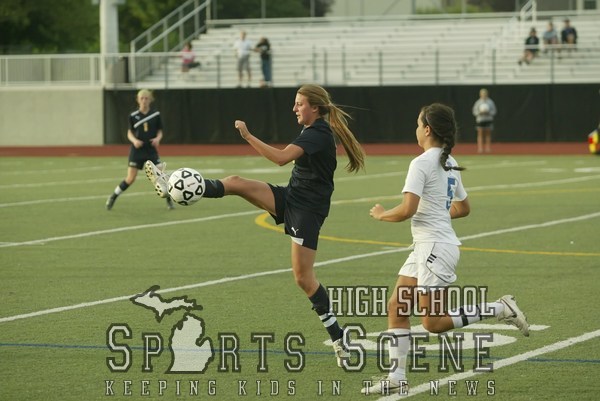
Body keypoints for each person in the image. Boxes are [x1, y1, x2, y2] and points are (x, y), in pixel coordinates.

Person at [144, 84, 366, 365]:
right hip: (292, 197)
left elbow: (281, 158)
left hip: (307, 212)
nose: (294, 108)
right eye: (295, 103)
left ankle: (338, 337)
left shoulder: (318, 133)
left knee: (303, 278)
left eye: (299, 104)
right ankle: (174, 185)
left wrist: (248, 136)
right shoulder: (313, 130)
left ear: (315, 107)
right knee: (236, 182)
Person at [363, 103, 529, 395]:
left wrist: (381, 215)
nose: (415, 130)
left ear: (427, 129)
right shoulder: (448, 161)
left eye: (418, 124)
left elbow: (406, 209)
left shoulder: (421, 163)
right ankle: (397, 376)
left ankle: (500, 307)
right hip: (428, 247)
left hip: (435, 249)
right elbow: (463, 208)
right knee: (397, 307)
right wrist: (438, 214)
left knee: (433, 323)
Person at [106, 89, 174, 211]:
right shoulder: (133, 116)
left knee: (160, 176)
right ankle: (113, 197)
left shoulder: (155, 115)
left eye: (146, 98)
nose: (144, 101)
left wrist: (158, 139)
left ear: (150, 100)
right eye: (141, 98)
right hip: (137, 151)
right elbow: (129, 132)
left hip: (151, 149)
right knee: (130, 178)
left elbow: (160, 131)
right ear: (138, 100)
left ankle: (169, 201)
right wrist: (134, 141)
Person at [472, 88, 497, 154]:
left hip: (488, 119)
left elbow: (494, 111)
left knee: (488, 134)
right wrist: (480, 113)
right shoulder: (478, 102)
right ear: (480, 94)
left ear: (487, 94)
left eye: (485, 94)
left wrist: (488, 113)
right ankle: (480, 148)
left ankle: (488, 148)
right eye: (482, 94)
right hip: (480, 120)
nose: (484, 95)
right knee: (480, 133)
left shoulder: (490, 102)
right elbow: (474, 111)